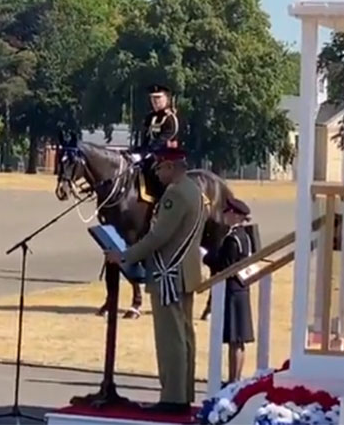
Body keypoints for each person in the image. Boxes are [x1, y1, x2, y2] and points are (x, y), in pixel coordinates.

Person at [105, 147, 205, 414]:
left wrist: (124, 256)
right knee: (184, 335)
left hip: (168, 273)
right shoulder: (194, 190)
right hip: (184, 271)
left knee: (170, 337)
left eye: (160, 168)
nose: (158, 174)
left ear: (170, 166)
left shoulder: (175, 193)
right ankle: (182, 394)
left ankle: (172, 398)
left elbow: (157, 237)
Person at [203, 197, 255, 383]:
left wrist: (206, 257)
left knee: (235, 339)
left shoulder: (233, 239)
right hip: (241, 289)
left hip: (232, 291)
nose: (225, 215)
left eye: (227, 212)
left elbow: (225, 265)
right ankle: (235, 378)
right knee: (238, 340)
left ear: (234, 215)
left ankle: (234, 378)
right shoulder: (245, 236)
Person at [135, 84, 181, 201]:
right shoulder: (149, 117)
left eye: (158, 98)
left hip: (168, 157)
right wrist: (140, 152)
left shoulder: (170, 119)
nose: (155, 102)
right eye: (152, 98)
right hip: (151, 155)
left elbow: (164, 138)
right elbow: (145, 138)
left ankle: (162, 202)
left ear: (167, 99)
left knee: (157, 174)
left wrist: (150, 151)